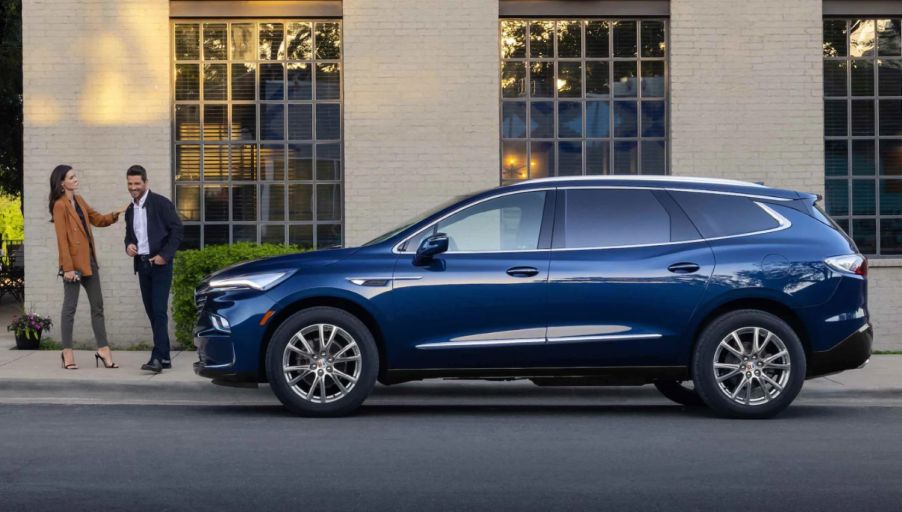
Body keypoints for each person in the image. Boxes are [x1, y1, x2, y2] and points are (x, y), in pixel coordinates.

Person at [49, 164, 127, 369]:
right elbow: (62, 239)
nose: (76, 179)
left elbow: (98, 219)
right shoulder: (59, 205)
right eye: (71, 177)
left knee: (98, 306)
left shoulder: (79, 200)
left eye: (75, 176)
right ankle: (67, 353)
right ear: (62, 182)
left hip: (89, 262)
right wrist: (67, 268)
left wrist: (115, 214)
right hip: (72, 266)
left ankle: (103, 349)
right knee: (70, 309)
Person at [123, 165, 184, 373]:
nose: (133, 188)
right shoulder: (130, 210)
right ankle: (165, 356)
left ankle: (157, 358)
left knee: (159, 311)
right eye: (130, 184)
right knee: (152, 312)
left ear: (146, 183)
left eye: (137, 184)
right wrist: (129, 246)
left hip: (160, 265)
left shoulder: (161, 203)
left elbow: (177, 230)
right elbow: (130, 236)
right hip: (142, 265)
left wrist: (165, 256)